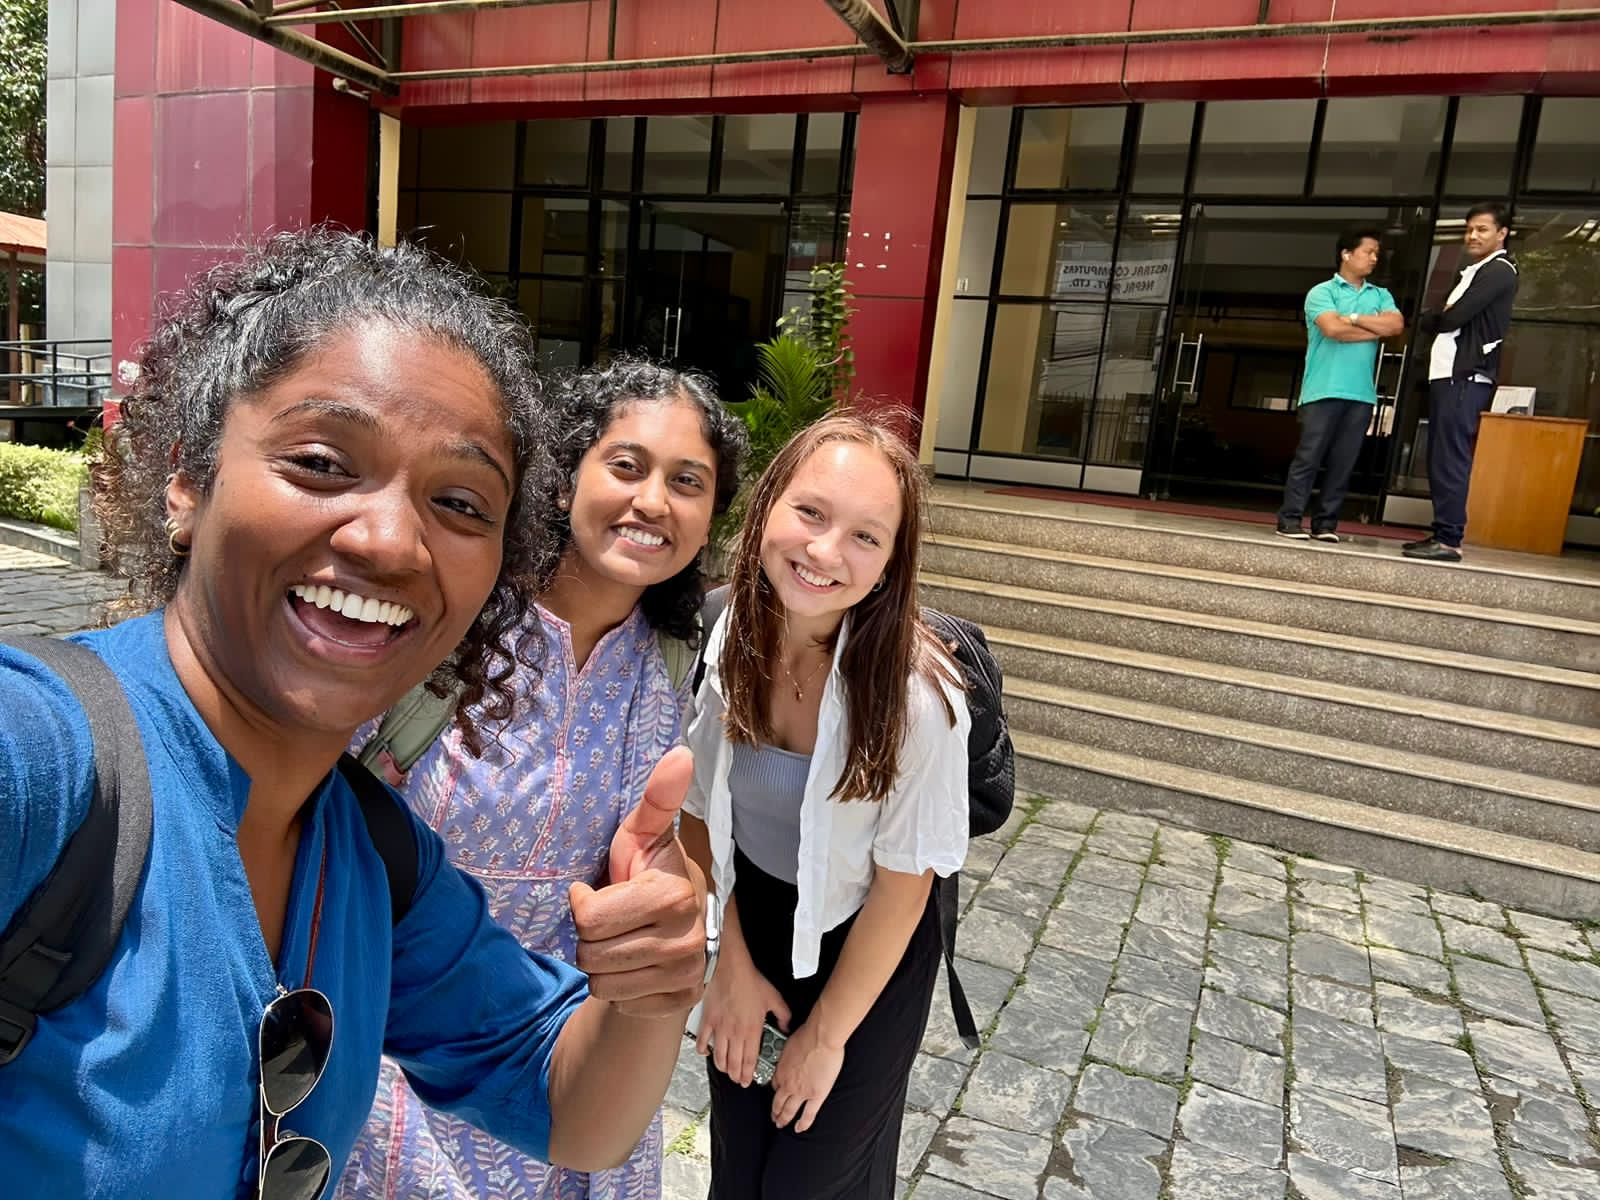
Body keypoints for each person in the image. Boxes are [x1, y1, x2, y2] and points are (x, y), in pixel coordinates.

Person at [0, 230, 708, 1199]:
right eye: (324, 462)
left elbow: (576, 1114)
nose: (390, 541)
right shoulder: (43, 763)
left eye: (460, 502)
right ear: (188, 483)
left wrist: (646, 994)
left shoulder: (378, 861)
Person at [338, 358, 746, 1200]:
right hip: (404, 1042)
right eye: (626, 466)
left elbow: (663, 854)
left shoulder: (673, 665)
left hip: (576, 1048)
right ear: (563, 483)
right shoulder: (445, 628)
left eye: (687, 482)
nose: (653, 502)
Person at [680, 411, 971, 1199]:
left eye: (865, 537)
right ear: (770, 505)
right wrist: (727, 963)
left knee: (813, 1183)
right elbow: (699, 813)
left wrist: (826, 1037)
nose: (824, 551)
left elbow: (905, 885)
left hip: (868, 943)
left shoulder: (919, 697)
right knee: (738, 1169)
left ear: (891, 562)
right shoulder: (728, 631)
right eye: (811, 512)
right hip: (755, 916)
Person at [1405, 202, 1520, 563]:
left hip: (1465, 376)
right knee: (1441, 455)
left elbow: (1455, 318)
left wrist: (1430, 319)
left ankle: (1450, 538)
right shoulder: (1476, 270)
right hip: (1451, 375)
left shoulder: (1499, 270)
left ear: (1502, 234)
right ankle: (1443, 532)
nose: (1473, 235)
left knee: (1450, 456)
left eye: (1483, 229)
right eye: (1470, 229)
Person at [1276, 226, 1404, 543]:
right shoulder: (1322, 292)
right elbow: (1332, 330)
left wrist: (1354, 318)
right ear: (1346, 254)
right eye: (1369, 251)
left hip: (1361, 393)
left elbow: (1396, 325)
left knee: (1344, 463)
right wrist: (1372, 328)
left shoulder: (1380, 294)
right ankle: (1290, 520)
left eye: (1377, 253)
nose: (1375, 258)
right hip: (1322, 388)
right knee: (1309, 457)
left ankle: (1325, 524)